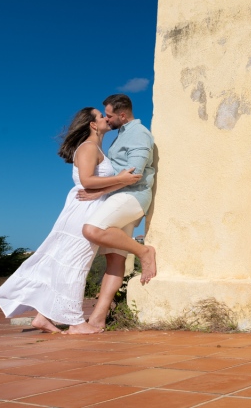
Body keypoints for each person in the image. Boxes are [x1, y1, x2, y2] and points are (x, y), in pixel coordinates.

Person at [0, 108, 142, 334]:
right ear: (92, 124)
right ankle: (76, 322)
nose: (105, 119)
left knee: (66, 262)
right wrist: (121, 179)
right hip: (84, 210)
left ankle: (43, 318)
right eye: (101, 116)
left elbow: (93, 185)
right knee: (76, 264)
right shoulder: (89, 147)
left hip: (85, 207)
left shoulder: (95, 147)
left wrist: (121, 183)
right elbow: (87, 181)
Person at [78, 94, 157, 332]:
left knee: (91, 229)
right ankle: (98, 319)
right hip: (119, 197)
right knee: (114, 259)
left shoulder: (139, 133)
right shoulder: (122, 134)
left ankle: (144, 251)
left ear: (122, 115)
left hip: (133, 196)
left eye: (110, 115)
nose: (107, 119)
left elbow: (134, 175)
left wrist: (96, 192)